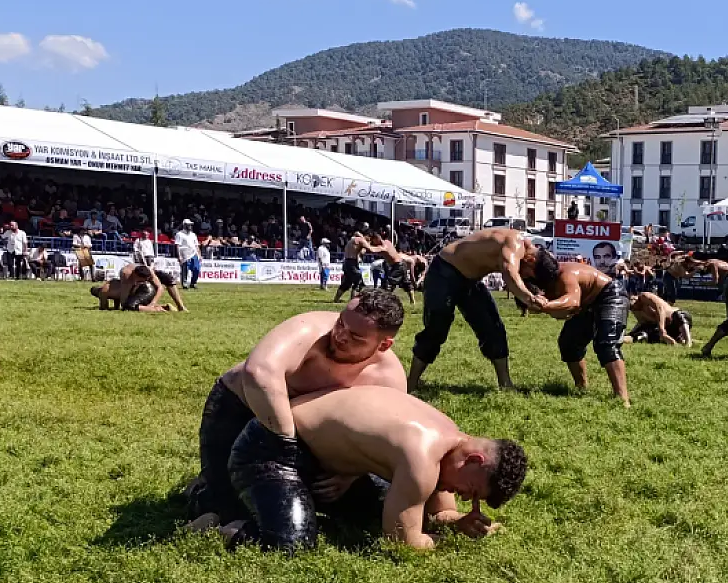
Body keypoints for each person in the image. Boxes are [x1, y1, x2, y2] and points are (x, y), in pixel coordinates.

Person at [187, 290, 408, 530]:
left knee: (360, 507)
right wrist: (287, 447)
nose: (340, 335)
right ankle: (205, 489)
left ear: (383, 345)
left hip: (310, 434)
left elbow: (386, 439)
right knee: (223, 507)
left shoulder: (388, 378)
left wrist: (351, 473)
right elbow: (259, 372)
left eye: (355, 336)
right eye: (341, 322)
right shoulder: (308, 330)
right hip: (240, 408)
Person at [222, 387, 526, 552]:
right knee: (291, 544)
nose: (461, 495)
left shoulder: (449, 438)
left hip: (315, 458)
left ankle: (286, 502)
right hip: (270, 448)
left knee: (383, 509)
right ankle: (215, 514)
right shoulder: (422, 455)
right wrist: (440, 541)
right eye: (470, 491)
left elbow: (436, 513)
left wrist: (458, 521)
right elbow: (403, 543)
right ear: (474, 460)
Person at [407, 228, 560, 392]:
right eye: (529, 275)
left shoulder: (528, 253)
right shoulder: (515, 243)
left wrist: (537, 297)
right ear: (530, 260)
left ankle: (505, 384)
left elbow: (518, 278)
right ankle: (411, 383)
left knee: (493, 327)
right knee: (436, 328)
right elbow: (509, 271)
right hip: (444, 272)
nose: (526, 277)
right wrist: (529, 298)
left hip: (470, 281)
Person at [535, 259, 632, 406]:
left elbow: (572, 302)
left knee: (607, 344)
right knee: (569, 343)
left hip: (610, 294)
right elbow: (562, 314)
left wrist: (545, 305)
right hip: (585, 304)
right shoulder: (546, 284)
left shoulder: (565, 275)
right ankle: (581, 387)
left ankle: (622, 400)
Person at [623, 291, 693, 346]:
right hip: (665, 329)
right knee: (642, 335)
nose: (634, 308)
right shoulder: (635, 310)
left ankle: (688, 342)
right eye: (632, 308)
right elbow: (643, 323)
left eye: (634, 306)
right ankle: (677, 339)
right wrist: (632, 333)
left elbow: (660, 309)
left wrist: (662, 331)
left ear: (634, 298)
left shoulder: (644, 296)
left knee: (680, 315)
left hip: (674, 321)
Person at [333, 231, 369, 303]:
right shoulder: (358, 240)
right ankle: (353, 301)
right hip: (352, 263)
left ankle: (336, 299)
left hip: (346, 262)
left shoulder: (350, 242)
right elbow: (363, 251)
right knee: (358, 281)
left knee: (347, 283)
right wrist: (365, 247)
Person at [175, 219, 202, 289]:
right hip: (185, 255)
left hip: (194, 254)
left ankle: (193, 283)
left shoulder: (193, 234)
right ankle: (184, 284)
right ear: (184, 225)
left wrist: (199, 255)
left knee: (196, 269)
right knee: (185, 270)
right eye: (188, 224)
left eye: (190, 225)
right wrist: (179, 256)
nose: (190, 226)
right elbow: (177, 245)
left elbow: (196, 245)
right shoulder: (179, 234)